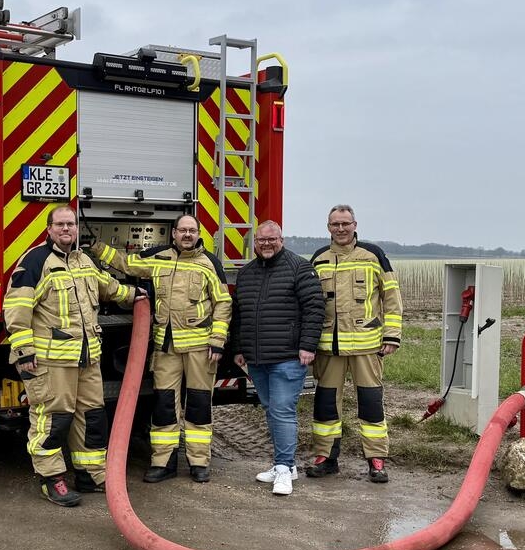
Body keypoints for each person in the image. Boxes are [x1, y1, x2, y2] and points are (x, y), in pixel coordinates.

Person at [4, 206, 138, 506]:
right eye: (60, 224)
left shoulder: (83, 260)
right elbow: (16, 309)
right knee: (53, 420)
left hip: (87, 358)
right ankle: (51, 479)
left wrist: (135, 296)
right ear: (49, 229)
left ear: (77, 229)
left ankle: (90, 474)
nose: (67, 229)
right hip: (51, 362)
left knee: (92, 417)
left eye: (71, 224)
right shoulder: (36, 261)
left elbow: (109, 288)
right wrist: (25, 351)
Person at [90, 214, 231, 483]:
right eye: (183, 230)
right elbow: (127, 264)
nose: (187, 235)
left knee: (199, 405)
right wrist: (97, 247)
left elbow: (223, 303)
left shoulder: (209, 264)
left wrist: (218, 340)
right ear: (174, 233)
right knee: (164, 405)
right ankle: (162, 462)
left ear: (198, 233)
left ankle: (199, 463)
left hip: (200, 348)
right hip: (166, 348)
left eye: (192, 230)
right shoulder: (160, 257)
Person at [307, 204, 403, 483]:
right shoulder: (319, 259)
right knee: (325, 405)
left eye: (345, 224)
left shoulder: (374, 255)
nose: (340, 229)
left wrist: (392, 335)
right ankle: (325, 457)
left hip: (367, 346)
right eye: (335, 224)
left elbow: (392, 299)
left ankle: (376, 460)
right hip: (329, 349)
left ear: (355, 224)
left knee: (371, 404)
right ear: (328, 227)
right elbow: (311, 305)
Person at [230, 221, 324, 497]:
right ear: (254, 243)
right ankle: (285, 464)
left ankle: (283, 468)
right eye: (261, 240)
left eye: (272, 239)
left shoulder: (299, 267)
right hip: (257, 358)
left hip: (288, 356)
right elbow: (239, 315)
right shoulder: (246, 273)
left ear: (281, 239)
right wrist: (238, 348)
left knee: (282, 411)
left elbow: (314, 308)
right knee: (272, 410)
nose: (267, 244)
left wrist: (307, 346)